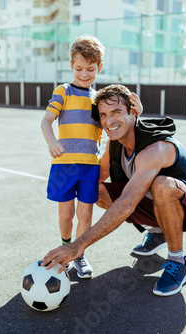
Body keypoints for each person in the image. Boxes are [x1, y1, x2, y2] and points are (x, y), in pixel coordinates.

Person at [42, 84, 186, 296]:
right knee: (94, 189)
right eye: (103, 115)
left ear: (132, 112)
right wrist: (67, 179)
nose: (109, 121)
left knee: (161, 185)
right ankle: (160, 232)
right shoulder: (115, 144)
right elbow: (97, 177)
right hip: (156, 205)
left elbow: (127, 203)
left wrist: (78, 245)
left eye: (116, 112)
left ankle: (177, 261)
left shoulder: (155, 148)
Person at [41, 37, 142, 279]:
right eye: (79, 68)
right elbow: (46, 121)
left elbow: (118, 126)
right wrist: (52, 142)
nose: (84, 74)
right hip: (64, 166)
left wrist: (137, 114)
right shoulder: (63, 91)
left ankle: (79, 253)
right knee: (66, 215)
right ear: (71, 65)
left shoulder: (99, 100)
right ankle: (65, 246)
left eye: (90, 69)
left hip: (90, 168)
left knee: (85, 214)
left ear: (100, 67)